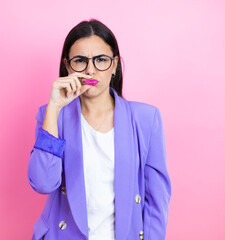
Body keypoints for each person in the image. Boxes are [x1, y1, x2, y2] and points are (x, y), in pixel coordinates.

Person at [27, 19, 171, 240]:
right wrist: (54, 107)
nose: (91, 70)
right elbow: (43, 183)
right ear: (67, 65)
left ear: (114, 65)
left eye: (101, 60)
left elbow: (157, 200)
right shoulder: (51, 115)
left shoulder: (146, 119)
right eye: (80, 61)